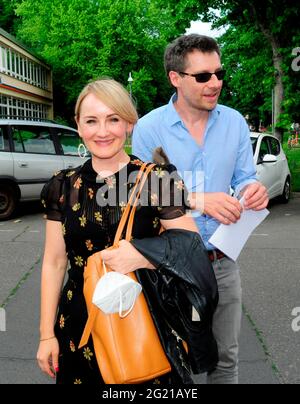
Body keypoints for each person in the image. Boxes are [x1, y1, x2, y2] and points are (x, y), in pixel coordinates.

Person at [36, 78, 200, 384]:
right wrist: (46, 335)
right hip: (79, 323)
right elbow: (54, 262)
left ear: (129, 123)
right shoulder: (62, 185)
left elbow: (191, 249)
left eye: (113, 119)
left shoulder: (158, 181)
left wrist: (143, 255)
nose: (102, 131)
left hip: (142, 321)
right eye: (92, 121)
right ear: (79, 126)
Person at [132, 34, 269, 384]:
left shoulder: (235, 122)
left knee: (225, 360)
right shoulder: (149, 128)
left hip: (221, 263)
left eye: (219, 73)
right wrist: (196, 199)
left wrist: (252, 191)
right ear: (176, 78)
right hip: (169, 266)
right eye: (204, 76)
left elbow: (244, 179)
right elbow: (139, 193)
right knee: (170, 360)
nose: (216, 83)